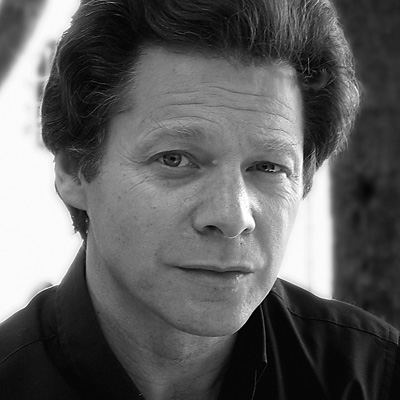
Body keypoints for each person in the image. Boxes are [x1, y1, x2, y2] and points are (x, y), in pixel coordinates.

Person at [0, 0, 399, 398]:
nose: (233, 217)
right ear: (73, 170)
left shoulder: (375, 380)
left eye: (268, 167)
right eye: (174, 159)